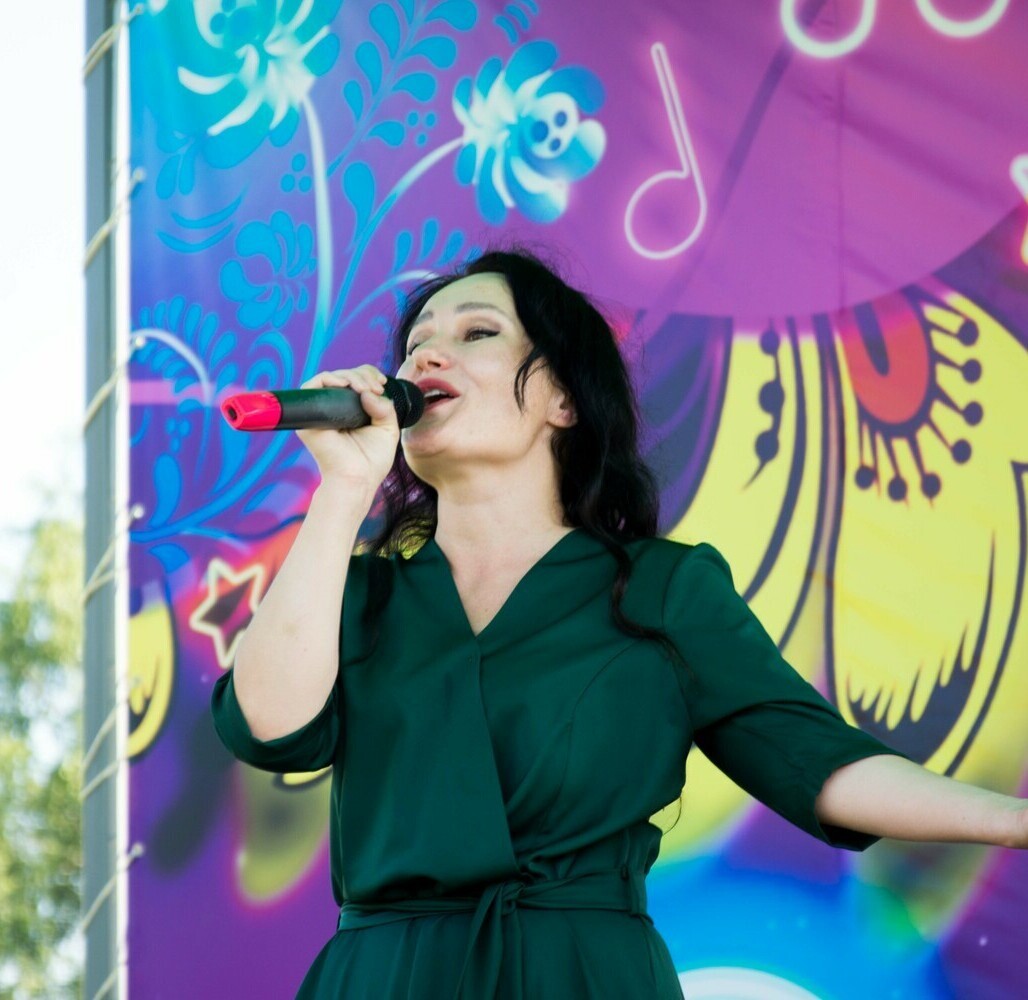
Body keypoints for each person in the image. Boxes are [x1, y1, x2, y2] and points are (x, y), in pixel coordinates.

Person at [211, 248, 1027, 999]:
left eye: (477, 332)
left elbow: (816, 761)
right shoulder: (358, 592)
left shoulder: (662, 590)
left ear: (564, 398)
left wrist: (1010, 820)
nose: (424, 358)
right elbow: (268, 728)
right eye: (416, 344)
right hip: (387, 978)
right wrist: (344, 490)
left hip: (583, 974)